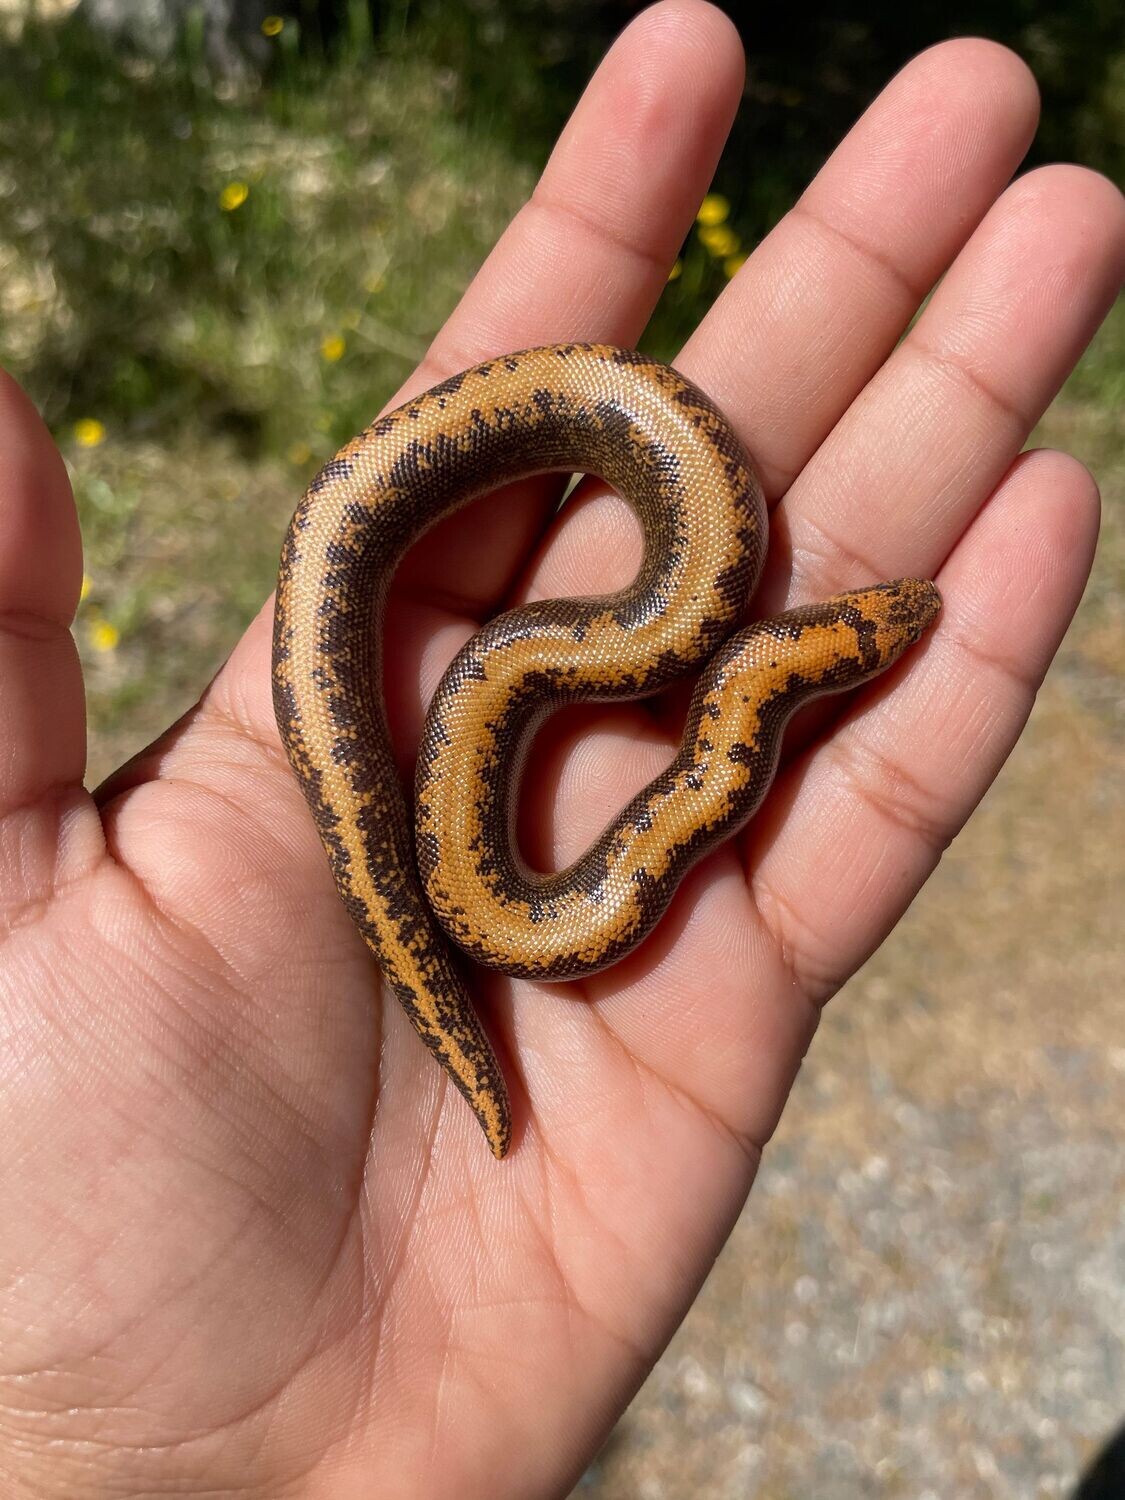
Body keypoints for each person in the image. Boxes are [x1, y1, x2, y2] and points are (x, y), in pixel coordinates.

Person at [1, 3, 1121, 1495]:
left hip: (552, 765)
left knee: (564, 689)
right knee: (534, 669)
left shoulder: (693, 679)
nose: (877, 616)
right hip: (539, 663)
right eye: (866, 622)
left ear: (784, 674)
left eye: (865, 632)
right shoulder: (670, 659)